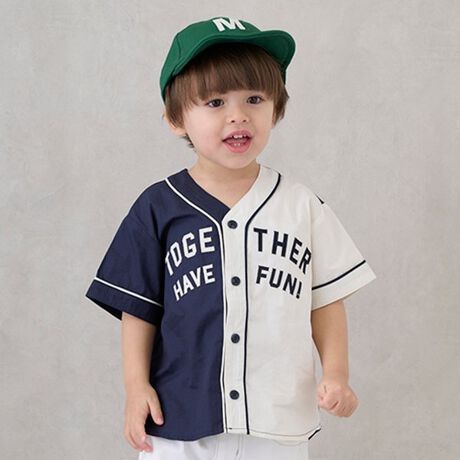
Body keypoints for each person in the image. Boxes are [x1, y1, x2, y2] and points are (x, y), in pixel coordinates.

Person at [85, 16, 377, 460]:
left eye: (254, 98)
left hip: (277, 422)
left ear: (276, 108)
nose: (238, 115)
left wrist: (336, 372)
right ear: (176, 119)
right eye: (215, 101)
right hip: (178, 420)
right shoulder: (157, 207)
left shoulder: (302, 205)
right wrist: (135, 385)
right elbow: (139, 310)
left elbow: (325, 301)